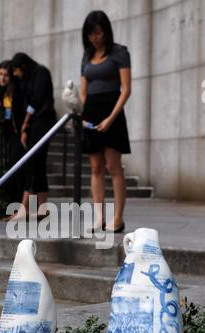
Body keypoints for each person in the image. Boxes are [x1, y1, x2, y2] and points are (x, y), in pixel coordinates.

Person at [80, 10, 131, 233]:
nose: (95, 37)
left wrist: (110, 118)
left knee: (113, 166)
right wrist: (87, 113)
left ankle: (118, 218)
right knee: (95, 167)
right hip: (91, 113)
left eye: (98, 32)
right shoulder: (86, 56)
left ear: (106, 31)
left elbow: (126, 89)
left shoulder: (120, 52)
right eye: (91, 34)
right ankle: (99, 217)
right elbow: (83, 91)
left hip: (113, 112)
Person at [9, 52, 57, 220]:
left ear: (23, 66)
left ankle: (28, 208)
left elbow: (36, 101)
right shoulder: (27, 79)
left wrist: (25, 124)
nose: (15, 74)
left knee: (35, 162)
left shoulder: (41, 73)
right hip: (33, 124)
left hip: (43, 121)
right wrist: (25, 128)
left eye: (16, 70)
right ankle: (39, 208)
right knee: (36, 164)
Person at [0, 61, 25, 203]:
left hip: (17, 134)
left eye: (6, 75)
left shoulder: (16, 92)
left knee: (16, 167)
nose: (2, 78)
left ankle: (18, 204)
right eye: (0, 74)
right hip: (6, 134)